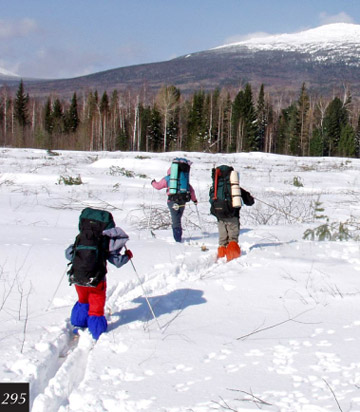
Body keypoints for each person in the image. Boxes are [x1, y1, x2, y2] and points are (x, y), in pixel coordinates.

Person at [65, 224, 133, 340]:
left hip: (79, 278)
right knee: (96, 306)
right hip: (97, 280)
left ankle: (78, 324)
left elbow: (68, 254)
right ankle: (97, 332)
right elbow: (117, 262)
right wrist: (127, 256)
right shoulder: (107, 241)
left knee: (83, 300)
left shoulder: (83, 237)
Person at [209, 165, 254, 261]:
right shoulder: (235, 188)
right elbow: (250, 201)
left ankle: (221, 254)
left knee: (222, 240)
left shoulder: (215, 188)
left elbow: (211, 200)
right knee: (232, 238)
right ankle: (232, 259)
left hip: (220, 216)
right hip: (233, 215)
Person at [151, 163, 198, 242]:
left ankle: (177, 239)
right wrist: (194, 200)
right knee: (178, 218)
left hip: (172, 201)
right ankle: (178, 236)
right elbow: (191, 190)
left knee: (175, 220)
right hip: (183, 200)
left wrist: (153, 182)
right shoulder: (184, 179)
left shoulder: (169, 178)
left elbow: (158, 186)